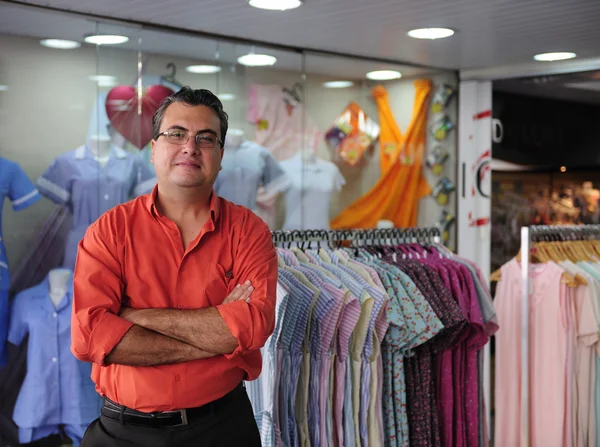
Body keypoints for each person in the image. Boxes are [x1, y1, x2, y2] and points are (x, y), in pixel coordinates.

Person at [71, 86, 278, 447]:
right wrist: (218, 333)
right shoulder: (109, 230)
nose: (190, 147)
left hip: (222, 428)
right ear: (153, 149)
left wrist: (135, 316)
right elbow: (89, 337)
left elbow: (254, 327)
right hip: (122, 432)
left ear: (221, 154)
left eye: (206, 138)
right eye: (176, 134)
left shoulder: (249, 231)